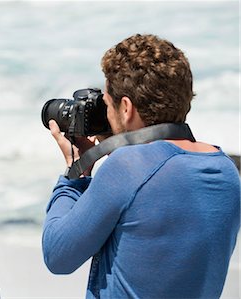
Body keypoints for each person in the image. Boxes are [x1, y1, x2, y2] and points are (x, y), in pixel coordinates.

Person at [42, 34, 240, 298]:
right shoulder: (226, 170)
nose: (106, 112)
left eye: (108, 104)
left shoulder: (128, 167)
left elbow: (58, 255)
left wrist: (75, 173)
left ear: (126, 108)